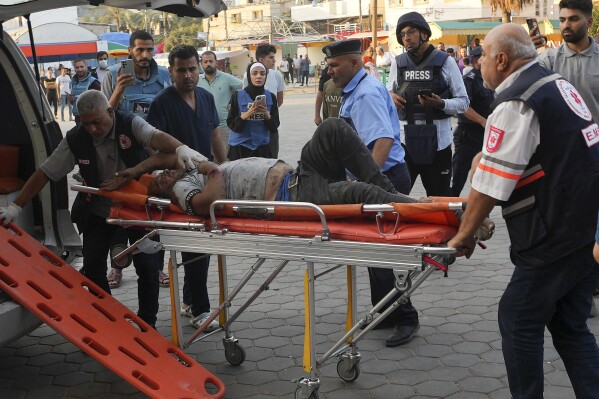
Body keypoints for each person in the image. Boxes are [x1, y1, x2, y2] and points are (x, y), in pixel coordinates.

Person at [447, 23, 599, 399]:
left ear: (502, 59)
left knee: (517, 318)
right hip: (583, 224)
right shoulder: (553, 83)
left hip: (554, 233)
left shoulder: (516, 100)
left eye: (482, 53)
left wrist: (463, 234)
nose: (478, 61)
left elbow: (491, 185)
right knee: (569, 324)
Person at [0, 90, 207, 328]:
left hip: (137, 211)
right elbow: (46, 172)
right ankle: (108, 321)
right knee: (93, 267)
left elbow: (156, 137)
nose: (93, 129)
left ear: (110, 111)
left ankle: (146, 324)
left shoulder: (130, 123)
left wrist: (181, 149)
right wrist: (16, 206)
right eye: (86, 123)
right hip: (99, 210)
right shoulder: (76, 138)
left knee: (148, 269)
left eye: (97, 122)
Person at [324, 39, 418, 347]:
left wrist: (369, 185)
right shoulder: (358, 89)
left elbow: (382, 141)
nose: (329, 69)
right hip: (379, 177)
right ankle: (386, 311)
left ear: (354, 64)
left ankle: (405, 317)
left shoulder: (364, 93)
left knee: (380, 251)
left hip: (385, 178)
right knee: (373, 253)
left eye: (335, 64)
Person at [146, 44, 226, 330]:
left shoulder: (205, 97)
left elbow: (214, 134)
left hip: (205, 176)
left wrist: (225, 167)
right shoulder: (162, 103)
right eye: (182, 70)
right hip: (177, 182)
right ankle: (200, 310)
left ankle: (191, 301)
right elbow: (154, 149)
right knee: (195, 245)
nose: (188, 75)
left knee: (200, 246)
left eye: (192, 68)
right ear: (172, 72)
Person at [388, 12, 469, 197]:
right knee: (395, 199)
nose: (406, 38)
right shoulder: (398, 63)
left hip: (439, 144)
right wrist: (391, 97)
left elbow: (464, 103)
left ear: (424, 34)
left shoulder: (445, 62)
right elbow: (385, 94)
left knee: (439, 199)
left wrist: (441, 103)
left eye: (411, 32)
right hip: (404, 144)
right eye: (402, 35)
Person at [531, 0, 599, 122]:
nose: (566, 25)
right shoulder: (548, 60)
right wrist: (527, 52)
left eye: (573, 19)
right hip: (560, 139)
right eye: (562, 20)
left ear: (589, 23)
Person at [450, 46, 494, 197]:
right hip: (467, 136)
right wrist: (483, 121)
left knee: (484, 180)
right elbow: (464, 107)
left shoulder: (490, 79)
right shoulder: (470, 80)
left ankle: (483, 217)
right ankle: (450, 214)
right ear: (477, 61)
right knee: (458, 180)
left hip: (485, 137)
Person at [102, 30, 171, 119]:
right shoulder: (112, 74)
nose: (145, 55)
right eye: (140, 50)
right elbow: (104, 116)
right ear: (130, 50)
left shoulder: (164, 74)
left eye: (149, 50)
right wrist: (118, 91)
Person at [228, 62, 280, 160]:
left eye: (262, 73)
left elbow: (274, 127)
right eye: (254, 73)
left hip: (262, 148)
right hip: (240, 148)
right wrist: (248, 113)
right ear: (249, 75)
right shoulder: (237, 96)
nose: (258, 76)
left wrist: (266, 114)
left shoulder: (270, 97)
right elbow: (231, 124)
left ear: (266, 76)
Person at [243, 44, 285, 157]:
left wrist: (268, 113)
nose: (274, 60)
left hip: (271, 126)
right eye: (271, 57)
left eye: (274, 57)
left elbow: (279, 100)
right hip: (252, 126)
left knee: (272, 159)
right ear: (261, 59)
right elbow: (244, 98)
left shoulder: (277, 75)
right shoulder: (247, 75)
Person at [197, 50, 243, 150]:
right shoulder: (197, 80)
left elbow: (241, 86)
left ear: (216, 63)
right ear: (201, 64)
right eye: (205, 62)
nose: (208, 64)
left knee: (224, 159)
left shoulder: (226, 78)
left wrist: (233, 102)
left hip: (223, 126)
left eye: (211, 61)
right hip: (202, 127)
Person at [71, 59, 101, 124]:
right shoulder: (73, 82)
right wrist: (71, 99)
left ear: (86, 67)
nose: (79, 69)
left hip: (90, 118)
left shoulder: (93, 82)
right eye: (77, 67)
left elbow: (100, 101)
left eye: (82, 67)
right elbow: (73, 101)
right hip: (77, 117)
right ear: (74, 69)